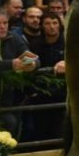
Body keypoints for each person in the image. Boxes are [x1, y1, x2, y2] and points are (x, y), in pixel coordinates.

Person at [0, 7, 37, 136]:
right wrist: (9, 64)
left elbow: (31, 56)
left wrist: (33, 64)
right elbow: (9, 64)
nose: (2, 27)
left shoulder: (14, 38)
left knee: (12, 125)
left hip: (9, 100)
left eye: (5, 23)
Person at [26, 11, 67, 142]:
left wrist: (67, 62)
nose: (52, 26)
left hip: (63, 93)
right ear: (42, 26)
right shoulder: (35, 44)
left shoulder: (68, 42)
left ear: (60, 25)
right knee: (41, 131)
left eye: (55, 23)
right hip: (41, 94)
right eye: (47, 23)